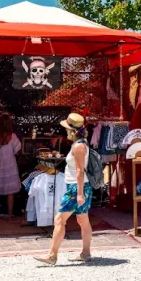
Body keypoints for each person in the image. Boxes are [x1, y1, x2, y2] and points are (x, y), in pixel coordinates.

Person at [35, 113, 93, 266]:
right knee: (82, 219)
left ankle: (52, 255)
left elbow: (80, 170)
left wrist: (79, 193)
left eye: (67, 129)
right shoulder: (81, 144)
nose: (65, 131)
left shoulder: (79, 146)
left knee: (59, 219)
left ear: (72, 131)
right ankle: (86, 253)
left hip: (76, 188)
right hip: (79, 186)